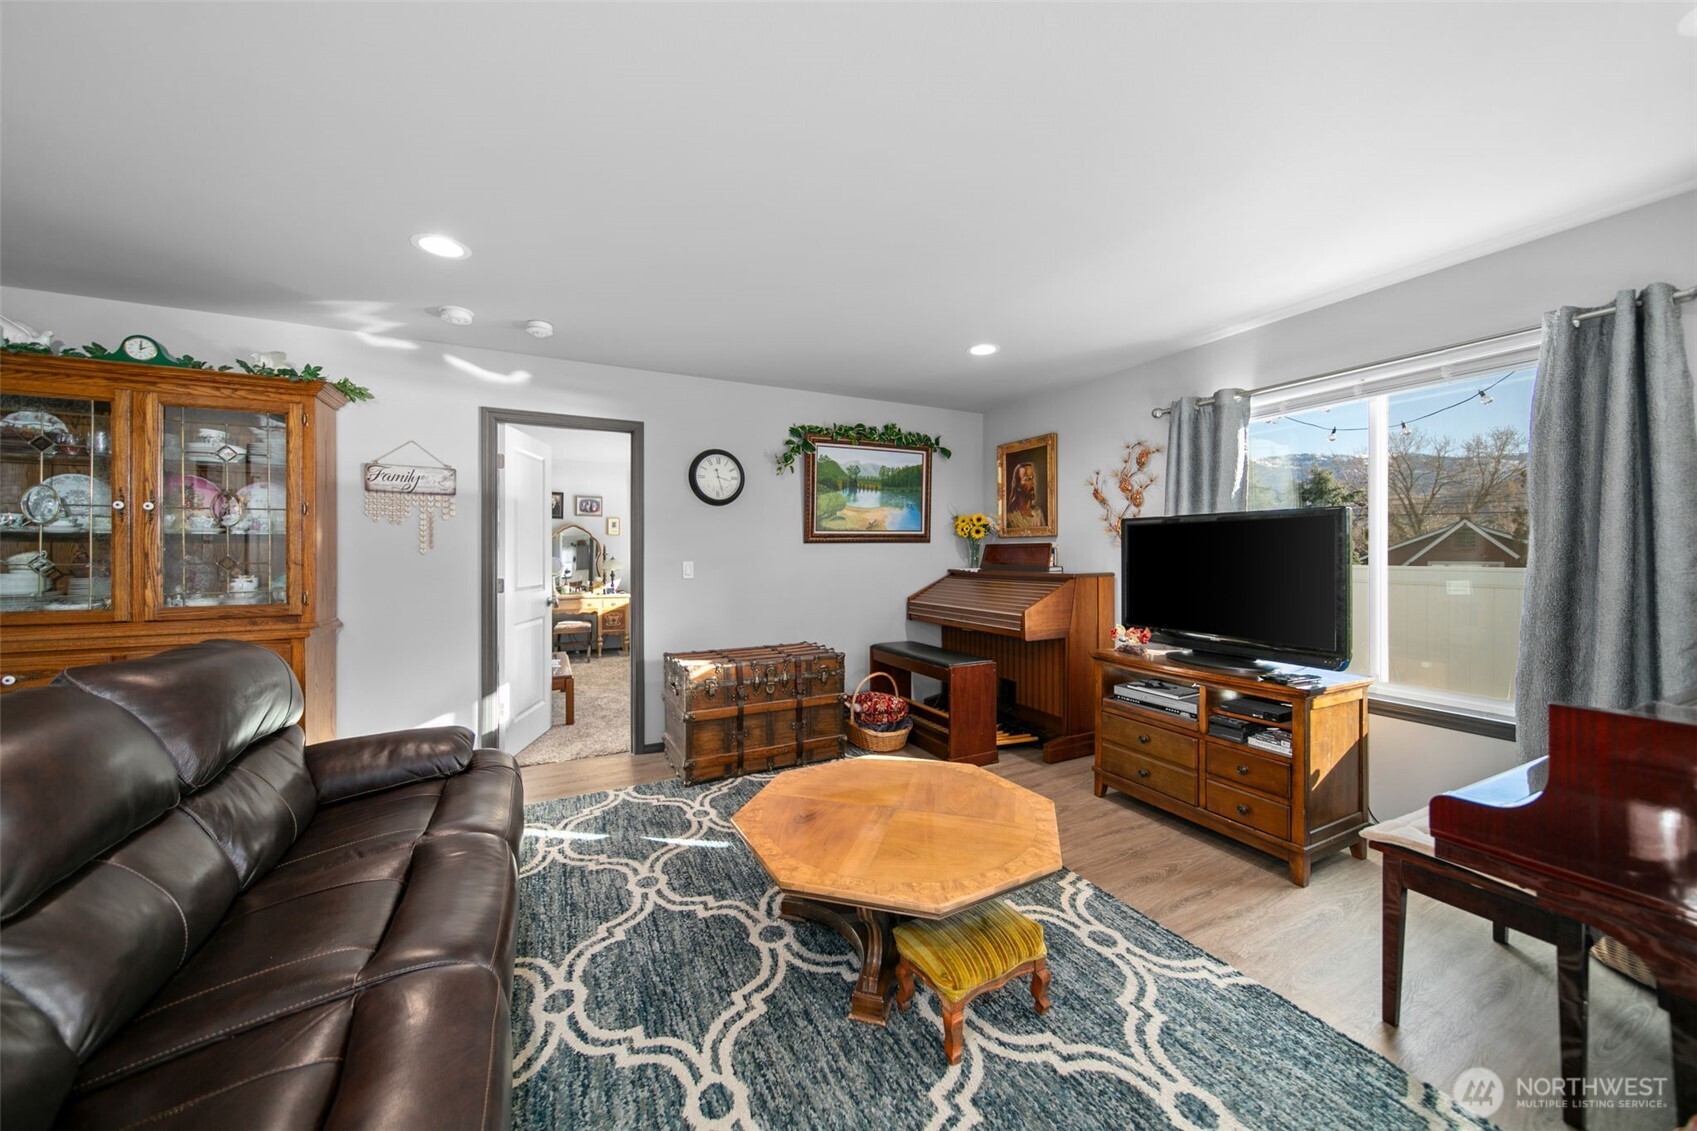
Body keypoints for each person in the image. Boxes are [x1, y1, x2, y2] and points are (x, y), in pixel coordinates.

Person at [1005, 460, 1043, 532]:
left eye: (1032, 478)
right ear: (1018, 486)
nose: (1032, 483)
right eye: (1028, 479)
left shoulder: (1038, 512)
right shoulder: (1010, 516)